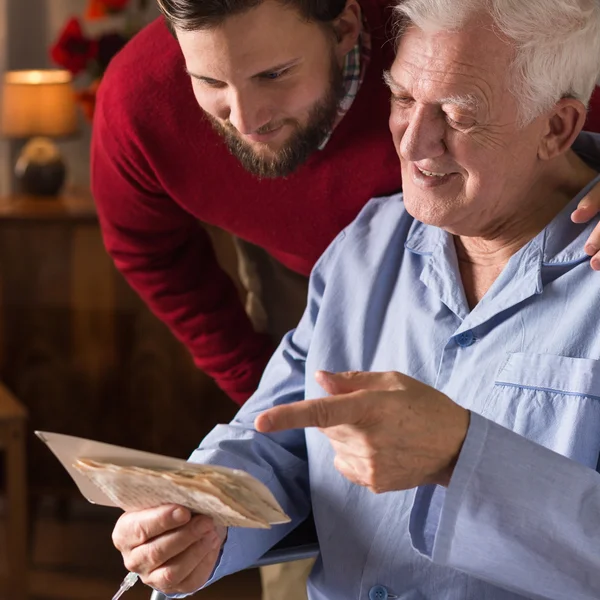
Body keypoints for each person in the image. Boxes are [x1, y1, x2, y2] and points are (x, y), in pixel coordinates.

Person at [109, 0, 600, 598]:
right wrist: (203, 515)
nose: (415, 142)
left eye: (457, 113)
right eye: (400, 99)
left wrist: (465, 459)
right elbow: (278, 438)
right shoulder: (364, 246)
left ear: (557, 128)